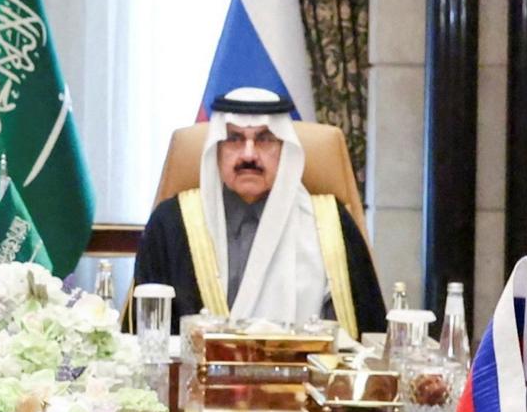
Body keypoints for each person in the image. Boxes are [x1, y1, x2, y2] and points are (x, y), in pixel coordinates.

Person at [134, 89, 385, 336]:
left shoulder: (330, 224)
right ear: (217, 149)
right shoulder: (172, 224)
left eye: (264, 139)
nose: (249, 155)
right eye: (234, 139)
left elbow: (365, 338)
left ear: (285, 150)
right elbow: (145, 336)